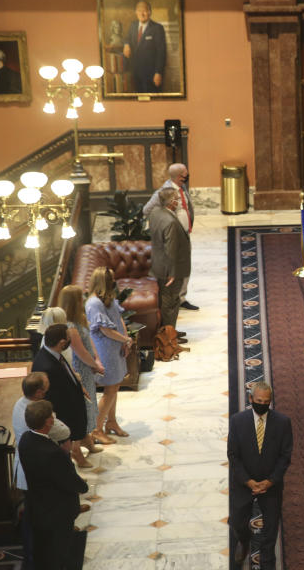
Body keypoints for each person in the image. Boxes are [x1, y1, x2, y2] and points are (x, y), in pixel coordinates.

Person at [228, 381, 293, 569]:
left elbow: (285, 456)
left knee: (271, 528)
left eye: (266, 401)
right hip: (243, 483)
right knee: (238, 522)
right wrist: (248, 482)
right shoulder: (237, 422)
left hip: (270, 484)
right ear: (250, 399)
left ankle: (267, 561)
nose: (262, 404)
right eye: (258, 400)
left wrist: (270, 481)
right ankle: (244, 540)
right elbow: (233, 455)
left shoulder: (282, 423)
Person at [17, 399, 88, 570]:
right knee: (59, 552)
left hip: (38, 505)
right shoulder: (52, 453)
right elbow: (69, 481)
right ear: (48, 422)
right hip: (57, 510)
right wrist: (82, 486)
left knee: (44, 548)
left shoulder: (26, 439)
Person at [32, 324, 92, 469]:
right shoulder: (46, 365)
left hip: (71, 405)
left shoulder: (53, 354)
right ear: (62, 343)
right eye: (69, 338)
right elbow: (53, 397)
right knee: (65, 450)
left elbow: (67, 373)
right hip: (64, 413)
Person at [59, 284, 111, 446]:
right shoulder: (70, 326)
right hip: (80, 367)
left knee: (90, 403)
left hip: (88, 365)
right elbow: (80, 352)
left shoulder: (79, 319)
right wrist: (95, 364)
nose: (83, 299)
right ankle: (79, 445)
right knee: (85, 405)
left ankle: (87, 440)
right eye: (80, 297)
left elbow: (89, 341)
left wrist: (97, 360)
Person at [143, 163, 198, 313]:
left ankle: (181, 298)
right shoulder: (164, 191)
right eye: (186, 173)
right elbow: (146, 210)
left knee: (185, 267)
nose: (188, 175)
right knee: (176, 268)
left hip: (184, 235)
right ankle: (174, 298)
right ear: (180, 176)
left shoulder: (182, 187)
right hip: (174, 237)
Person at [86, 266, 133, 439]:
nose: (114, 282)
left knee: (116, 385)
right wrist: (125, 340)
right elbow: (105, 330)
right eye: (111, 279)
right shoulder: (94, 303)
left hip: (117, 345)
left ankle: (111, 422)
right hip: (106, 349)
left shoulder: (108, 298)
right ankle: (97, 429)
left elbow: (118, 318)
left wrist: (126, 338)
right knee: (110, 388)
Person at [11, 372, 72, 491]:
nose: (49, 382)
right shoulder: (37, 413)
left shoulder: (19, 403)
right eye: (47, 382)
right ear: (39, 392)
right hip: (41, 462)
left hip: (28, 457)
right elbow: (64, 432)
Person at [149, 186, 192, 330]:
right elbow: (171, 248)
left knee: (167, 300)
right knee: (171, 302)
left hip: (159, 263)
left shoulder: (156, 213)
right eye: (177, 199)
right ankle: (168, 334)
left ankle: (171, 330)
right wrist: (172, 273)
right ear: (172, 202)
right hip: (170, 270)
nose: (179, 202)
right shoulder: (171, 222)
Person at [122, 0, 167, 93]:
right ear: (136, 12)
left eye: (144, 11)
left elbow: (161, 53)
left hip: (151, 75)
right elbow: (127, 38)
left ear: (149, 12)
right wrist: (126, 44)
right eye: (139, 11)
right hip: (135, 73)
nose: (142, 14)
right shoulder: (133, 26)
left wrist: (158, 72)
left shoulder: (157, 28)